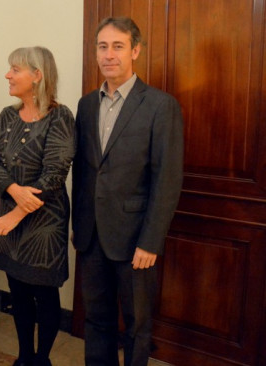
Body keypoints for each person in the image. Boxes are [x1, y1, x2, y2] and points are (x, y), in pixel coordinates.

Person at [73, 17, 183, 366]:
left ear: (135, 50)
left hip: (135, 239)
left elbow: (167, 178)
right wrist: (79, 224)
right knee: (96, 320)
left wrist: (151, 241)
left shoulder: (159, 105)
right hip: (91, 237)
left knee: (137, 325)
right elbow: (85, 172)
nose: (109, 54)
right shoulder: (87, 105)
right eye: (102, 47)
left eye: (118, 46)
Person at [0, 47, 75, 366]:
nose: (8, 75)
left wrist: (18, 211)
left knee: (44, 293)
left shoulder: (60, 116)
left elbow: (55, 173)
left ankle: (42, 359)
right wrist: (11, 189)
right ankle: (24, 356)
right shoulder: (7, 116)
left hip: (45, 221)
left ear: (37, 75)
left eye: (15, 69)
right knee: (18, 290)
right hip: (10, 217)